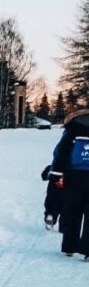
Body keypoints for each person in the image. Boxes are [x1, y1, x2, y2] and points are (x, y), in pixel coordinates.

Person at [50, 109, 89, 259]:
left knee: (72, 211)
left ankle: (69, 246)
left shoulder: (72, 130)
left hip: (74, 176)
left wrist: (56, 174)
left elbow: (62, 152)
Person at [41, 164, 64, 231]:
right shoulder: (73, 168)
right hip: (67, 189)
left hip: (53, 189)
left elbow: (44, 176)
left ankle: (50, 218)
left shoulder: (52, 166)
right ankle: (64, 227)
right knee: (65, 210)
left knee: (51, 207)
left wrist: (47, 174)